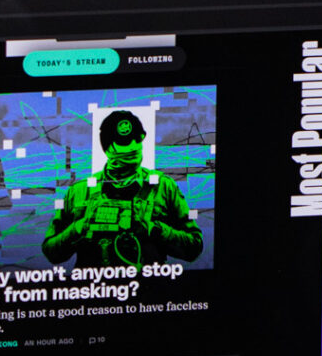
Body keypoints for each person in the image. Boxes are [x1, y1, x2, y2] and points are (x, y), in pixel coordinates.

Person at [40, 109, 203, 268]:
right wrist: (79, 228)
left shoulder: (163, 186)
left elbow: (194, 247)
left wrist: (152, 229)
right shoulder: (80, 191)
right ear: (108, 148)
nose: (133, 147)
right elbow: (51, 251)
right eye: (124, 142)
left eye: (137, 139)